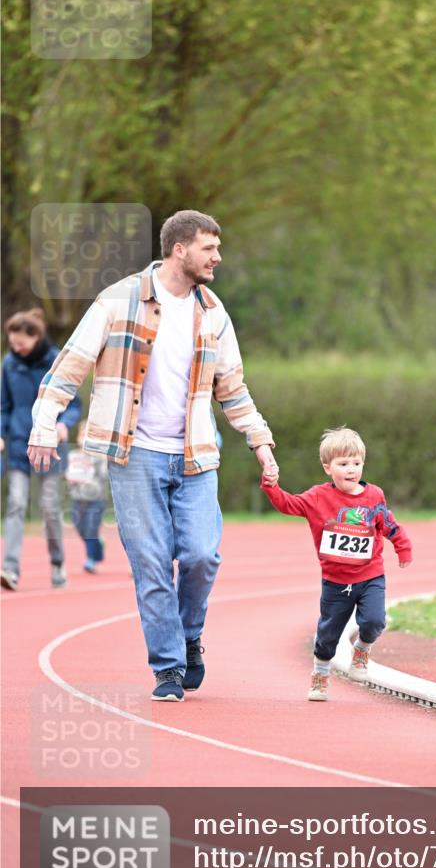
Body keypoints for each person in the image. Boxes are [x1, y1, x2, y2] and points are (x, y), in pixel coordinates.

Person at [28, 210, 278, 701]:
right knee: (151, 563)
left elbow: (232, 388)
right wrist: (43, 425)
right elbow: (70, 366)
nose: (218, 257)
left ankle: (188, 636)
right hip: (134, 454)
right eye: (210, 248)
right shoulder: (118, 300)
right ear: (180, 249)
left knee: (203, 555)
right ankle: (167, 667)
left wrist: (261, 442)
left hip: (195, 456)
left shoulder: (213, 312)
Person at [261, 426, 412, 701]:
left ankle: (362, 650)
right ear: (328, 468)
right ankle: (320, 673)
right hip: (335, 580)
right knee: (328, 633)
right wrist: (271, 486)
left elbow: (388, 524)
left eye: (357, 463)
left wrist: (403, 547)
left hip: (370, 575)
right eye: (344, 464)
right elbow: (288, 504)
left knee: (375, 621)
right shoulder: (318, 497)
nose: (351, 469)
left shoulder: (374, 495)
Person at [1, 308, 81, 590]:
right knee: (16, 503)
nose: (16, 348)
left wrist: (64, 425)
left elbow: (74, 404)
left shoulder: (56, 361)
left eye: (21, 343)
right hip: (19, 446)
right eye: (12, 344)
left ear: (35, 337)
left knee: (49, 507)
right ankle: (9, 569)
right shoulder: (9, 364)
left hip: (50, 445)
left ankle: (58, 564)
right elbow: (4, 406)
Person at [65, 419, 108, 574]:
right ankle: (98, 544)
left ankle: (90, 559)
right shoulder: (73, 455)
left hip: (96, 499)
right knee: (80, 529)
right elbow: (69, 475)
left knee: (91, 529)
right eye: (81, 434)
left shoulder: (98, 456)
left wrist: (100, 462)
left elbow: (104, 476)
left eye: (87, 434)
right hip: (77, 499)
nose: (83, 438)